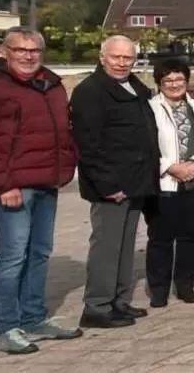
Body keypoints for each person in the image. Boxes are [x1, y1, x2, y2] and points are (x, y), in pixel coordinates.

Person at [0, 27, 81, 354]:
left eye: (34, 50)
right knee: (13, 256)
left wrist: (66, 168)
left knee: (39, 253)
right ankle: (5, 328)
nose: (28, 56)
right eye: (20, 50)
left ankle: (32, 318)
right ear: (6, 52)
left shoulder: (51, 85)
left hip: (47, 183)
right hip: (12, 187)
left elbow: (63, 131)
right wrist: (2, 183)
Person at [70, 35, 159, 329]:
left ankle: (118, 301)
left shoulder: (135, 86)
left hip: (136, 181)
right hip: (110, 185)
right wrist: (108, 184)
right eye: (116, 57)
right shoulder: (90, 91)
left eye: (127, 58)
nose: (122, 63)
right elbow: (88, 144)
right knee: (106, 247)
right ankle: (96, 305)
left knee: (124, 245)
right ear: (102, 57)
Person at [146, 59, 194, 306]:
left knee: (189, 237)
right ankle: (159, 290)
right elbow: (146, 147)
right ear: (159, 83)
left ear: (187, 81)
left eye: (179, 79)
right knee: (160, 239)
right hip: (164, 183)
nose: (175, 84)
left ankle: (185, 285)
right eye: (168, 80)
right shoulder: (149, 108)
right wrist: (171, 167)